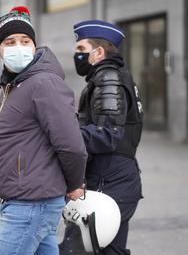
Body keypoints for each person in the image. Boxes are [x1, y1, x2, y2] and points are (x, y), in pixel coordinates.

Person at [0, 6, 88, 255]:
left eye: (25, 40)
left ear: (34, 46)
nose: (18, 46)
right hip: (28, 200)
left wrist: (75, 183)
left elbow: (71, 143)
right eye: (9, 42)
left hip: (31, 203)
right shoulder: (16, 84)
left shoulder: (43, 82)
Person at [60, 20, 144, 255]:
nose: (76, 55)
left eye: (81, 49)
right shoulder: (104, 78)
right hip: (112, 177)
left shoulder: (109, 79)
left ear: (98, 52)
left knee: (84, 249)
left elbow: (108, 134)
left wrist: (63, 134)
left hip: (111, 179)